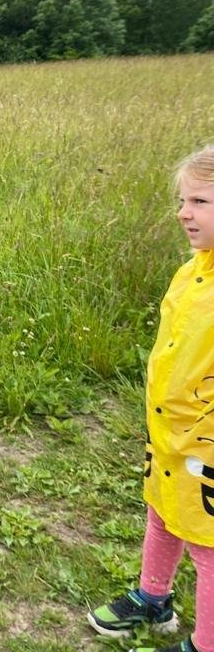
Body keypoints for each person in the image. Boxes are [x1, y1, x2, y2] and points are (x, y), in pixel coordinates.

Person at [87, 145, 214, 652]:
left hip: (206, 444)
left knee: (208, 545)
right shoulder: (193, 270)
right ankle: (153, 598)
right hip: (168, 430)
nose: (183, 212)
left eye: (200, 201)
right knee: (161, 511)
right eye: (183, 201)